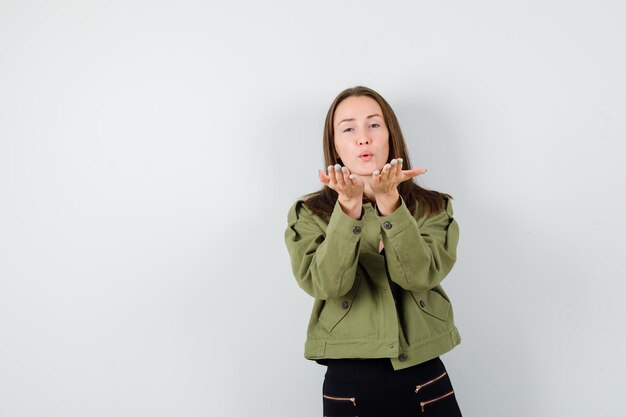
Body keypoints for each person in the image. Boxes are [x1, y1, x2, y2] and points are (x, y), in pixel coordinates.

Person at [284, 86, 463, 417]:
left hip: (423, 373)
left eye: (374, 125)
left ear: (391, 135)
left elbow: (419, 275)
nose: (362, 138)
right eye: (349, 128)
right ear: (335, 145)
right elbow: (327, 285)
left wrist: (391, 206)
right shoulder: (308, 213)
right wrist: (348, 209)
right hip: (348, 382)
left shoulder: (433, 207)